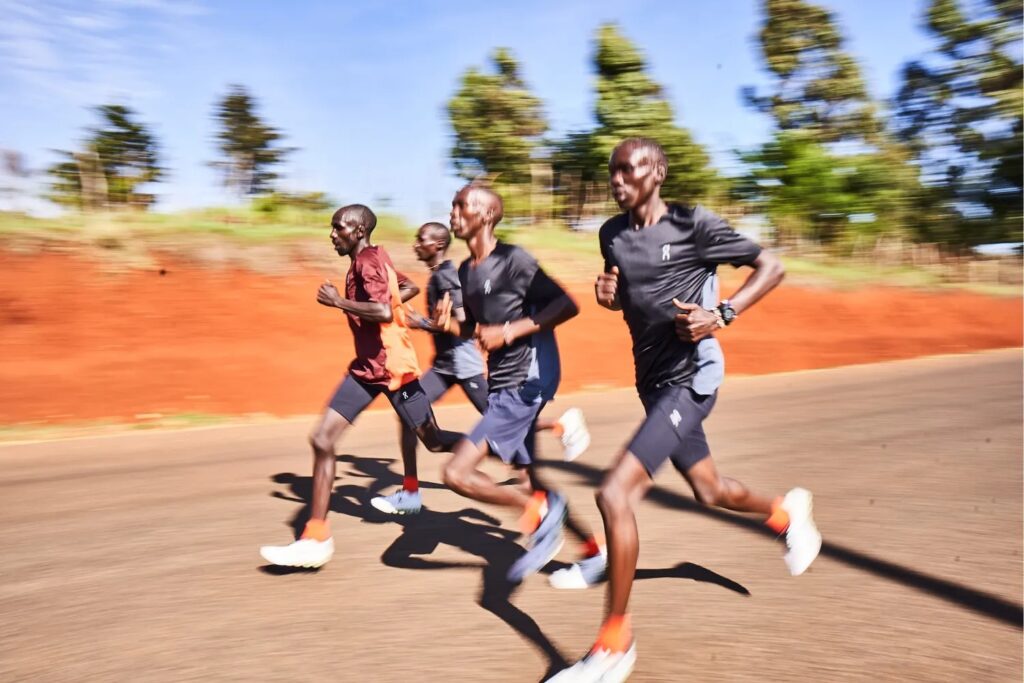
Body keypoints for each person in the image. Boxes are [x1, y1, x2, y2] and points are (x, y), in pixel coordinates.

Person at [548, 138, 822, 682]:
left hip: (692, 379)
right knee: (709, 489)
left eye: (629, 170)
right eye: (612, 172)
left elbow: (771, 266)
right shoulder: (612, 234)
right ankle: (786, 513)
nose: (617, 180)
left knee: (613, 491)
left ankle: (614, 644)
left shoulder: (693, 225)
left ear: (659, 172)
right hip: (652, 383)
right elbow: (630, 298)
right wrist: (610, 295)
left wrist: (720, 313)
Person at [259, 204, 461, 569]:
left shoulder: (367, 262)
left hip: (394, 368)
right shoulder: (372, 257)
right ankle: (315, 538)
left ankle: (494, 444)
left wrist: (339, 301)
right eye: (332, 228)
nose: (332, 234)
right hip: (367, 370)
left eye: (338, 228)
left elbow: (383, 310)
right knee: (322, 440)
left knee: (434, 441)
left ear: (358, 229)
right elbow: (406, 287)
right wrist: (397, 310)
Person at [371, 221, 592, 516]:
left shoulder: (449, 275)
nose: (414, 244)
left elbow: (464, 321)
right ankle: (411, 489)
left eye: (420, 239)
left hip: (465, 365)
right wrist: (433, 324)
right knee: (410, 412)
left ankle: (557, 427)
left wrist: (424, 324)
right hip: (445, 366)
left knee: (499, 424)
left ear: (437, 245)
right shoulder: (442, 274)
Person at [433, 184, 591, 583]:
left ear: (486, 215)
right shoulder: (467, 271)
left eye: (461, 206)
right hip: (502, 380)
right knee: (534, 478)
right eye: (452, 205)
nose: (453, 212)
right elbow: (477, 327)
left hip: (526, 379)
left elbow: (567, 305)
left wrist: (509, 331)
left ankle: (538, 514)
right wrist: (449, 325)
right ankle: (595, 552)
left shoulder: (513, 259)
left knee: (456, 473)